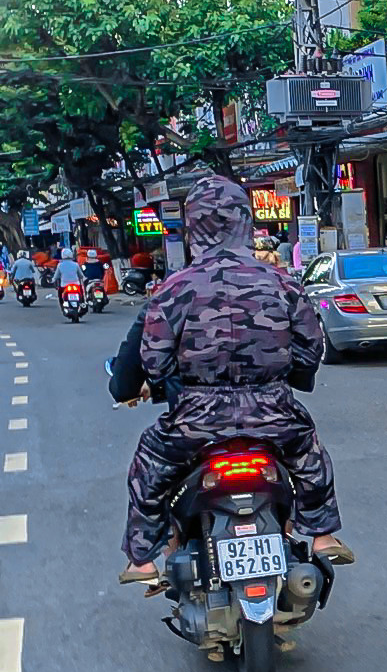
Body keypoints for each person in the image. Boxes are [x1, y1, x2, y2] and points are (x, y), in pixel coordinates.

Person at [118, 175, 355, 589]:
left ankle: (143, 560)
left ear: (193, 228)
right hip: (274, 409)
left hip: (196, 416)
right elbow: (309, 349)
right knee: (309, 454)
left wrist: (177, 380)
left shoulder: (174, 289)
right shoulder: (281, 281)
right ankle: (322, 536)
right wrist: (282, 376)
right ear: (246, 222)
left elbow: (153, 361)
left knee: (150, 465)